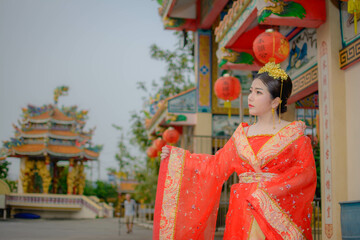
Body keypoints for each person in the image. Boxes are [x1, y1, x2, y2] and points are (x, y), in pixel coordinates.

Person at [153, 62, 317, 240]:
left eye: (258, 92)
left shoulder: (295, 137)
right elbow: (215, 165)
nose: (250, 97)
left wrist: (267, 194)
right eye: (251, 91)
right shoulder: (241, 136)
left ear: (275, 101)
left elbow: (304, 175)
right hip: (241, 208)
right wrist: (177, 159)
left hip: (276, 213)